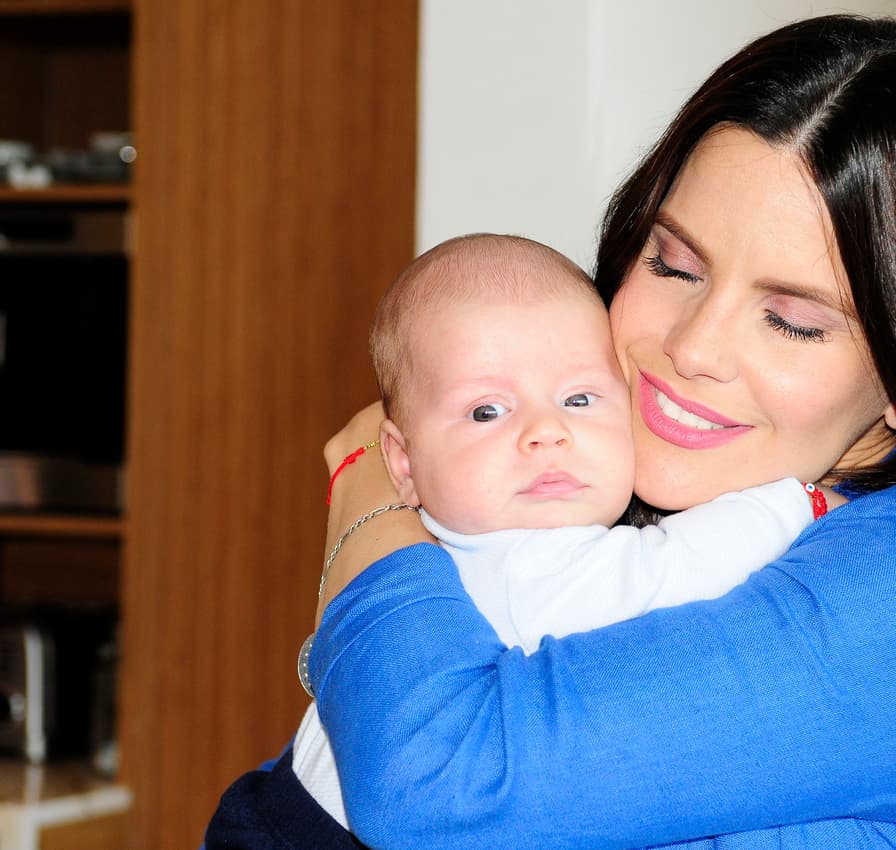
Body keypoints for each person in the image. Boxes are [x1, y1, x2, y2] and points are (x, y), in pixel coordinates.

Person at [222, 14, 896, 850]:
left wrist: (367, 494)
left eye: (793, 319)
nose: (689, 347)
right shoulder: (620, 493)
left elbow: (432, 782)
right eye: (674, 265)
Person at [287, 233, 834, 829]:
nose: (546, 432)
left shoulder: (429, 549)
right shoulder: (526, 563)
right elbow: (676, 567)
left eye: (578, 399)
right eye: (487, 411)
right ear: (402, 463)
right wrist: (794, 504)